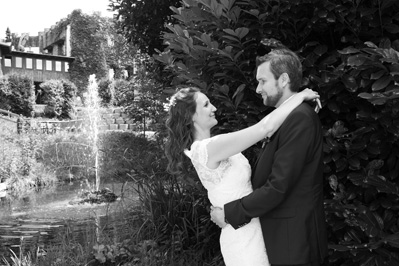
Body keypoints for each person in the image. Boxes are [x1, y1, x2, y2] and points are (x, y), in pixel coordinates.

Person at [165, 83, 321, 265]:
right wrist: (299, 97)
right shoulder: (207, 148)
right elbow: (265, 128)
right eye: (206, 105)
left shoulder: (213, 146)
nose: (214, 108)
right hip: (242, 238)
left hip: (253, 228)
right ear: (191, 116)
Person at [210, 48, 328, 266]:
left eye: (262, 81)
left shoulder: (300, 119)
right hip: (283, 239)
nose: (257, 89)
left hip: (294, 243)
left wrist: (229, 213)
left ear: (283, 79)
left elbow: (278, 187)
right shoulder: (286, 117)